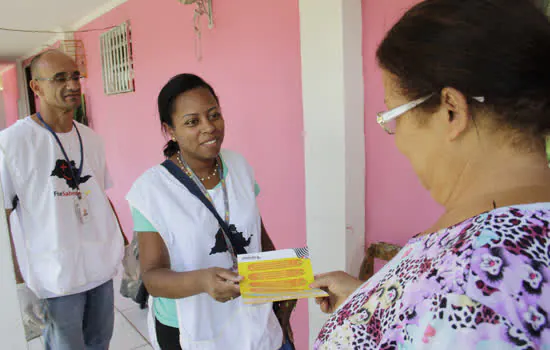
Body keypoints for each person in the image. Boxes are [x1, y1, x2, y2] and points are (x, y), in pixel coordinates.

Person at [311, 0, 550, 348]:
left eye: (395, 115)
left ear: (451, 111)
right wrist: (373, 302)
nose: (399, 140)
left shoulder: (469, 282)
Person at [126, 73, 293, 350]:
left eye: (214, 115)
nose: (209, 127)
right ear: (170, 130)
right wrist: (202, 281)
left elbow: (258, 235)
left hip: (251, 313)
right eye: (192, 122)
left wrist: (283, 288)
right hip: (188, 326)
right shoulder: (152, 189)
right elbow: (153, 277)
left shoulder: (238, 165)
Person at [0, 50, 124, 350]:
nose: (72, 85)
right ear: (36, 87)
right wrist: (17, 284)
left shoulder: (90, 138)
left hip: (99, 271)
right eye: (59, 78)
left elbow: (100, 197)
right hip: (55, 279)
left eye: (74, 76)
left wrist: (126, 244)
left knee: (100, 344)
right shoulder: (13, 143)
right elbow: (4, 217)